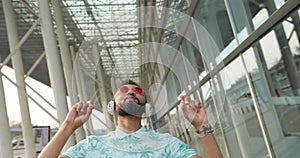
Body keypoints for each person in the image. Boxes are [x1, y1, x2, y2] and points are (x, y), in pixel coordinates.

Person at [38, 80, 222, 158]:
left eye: (138, 91)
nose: (132, 91)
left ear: (146, 107)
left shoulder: (167, 144)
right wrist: (68, 127)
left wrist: (202, 126)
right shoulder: (91, 146)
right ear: (112, 106)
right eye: (124, 91)